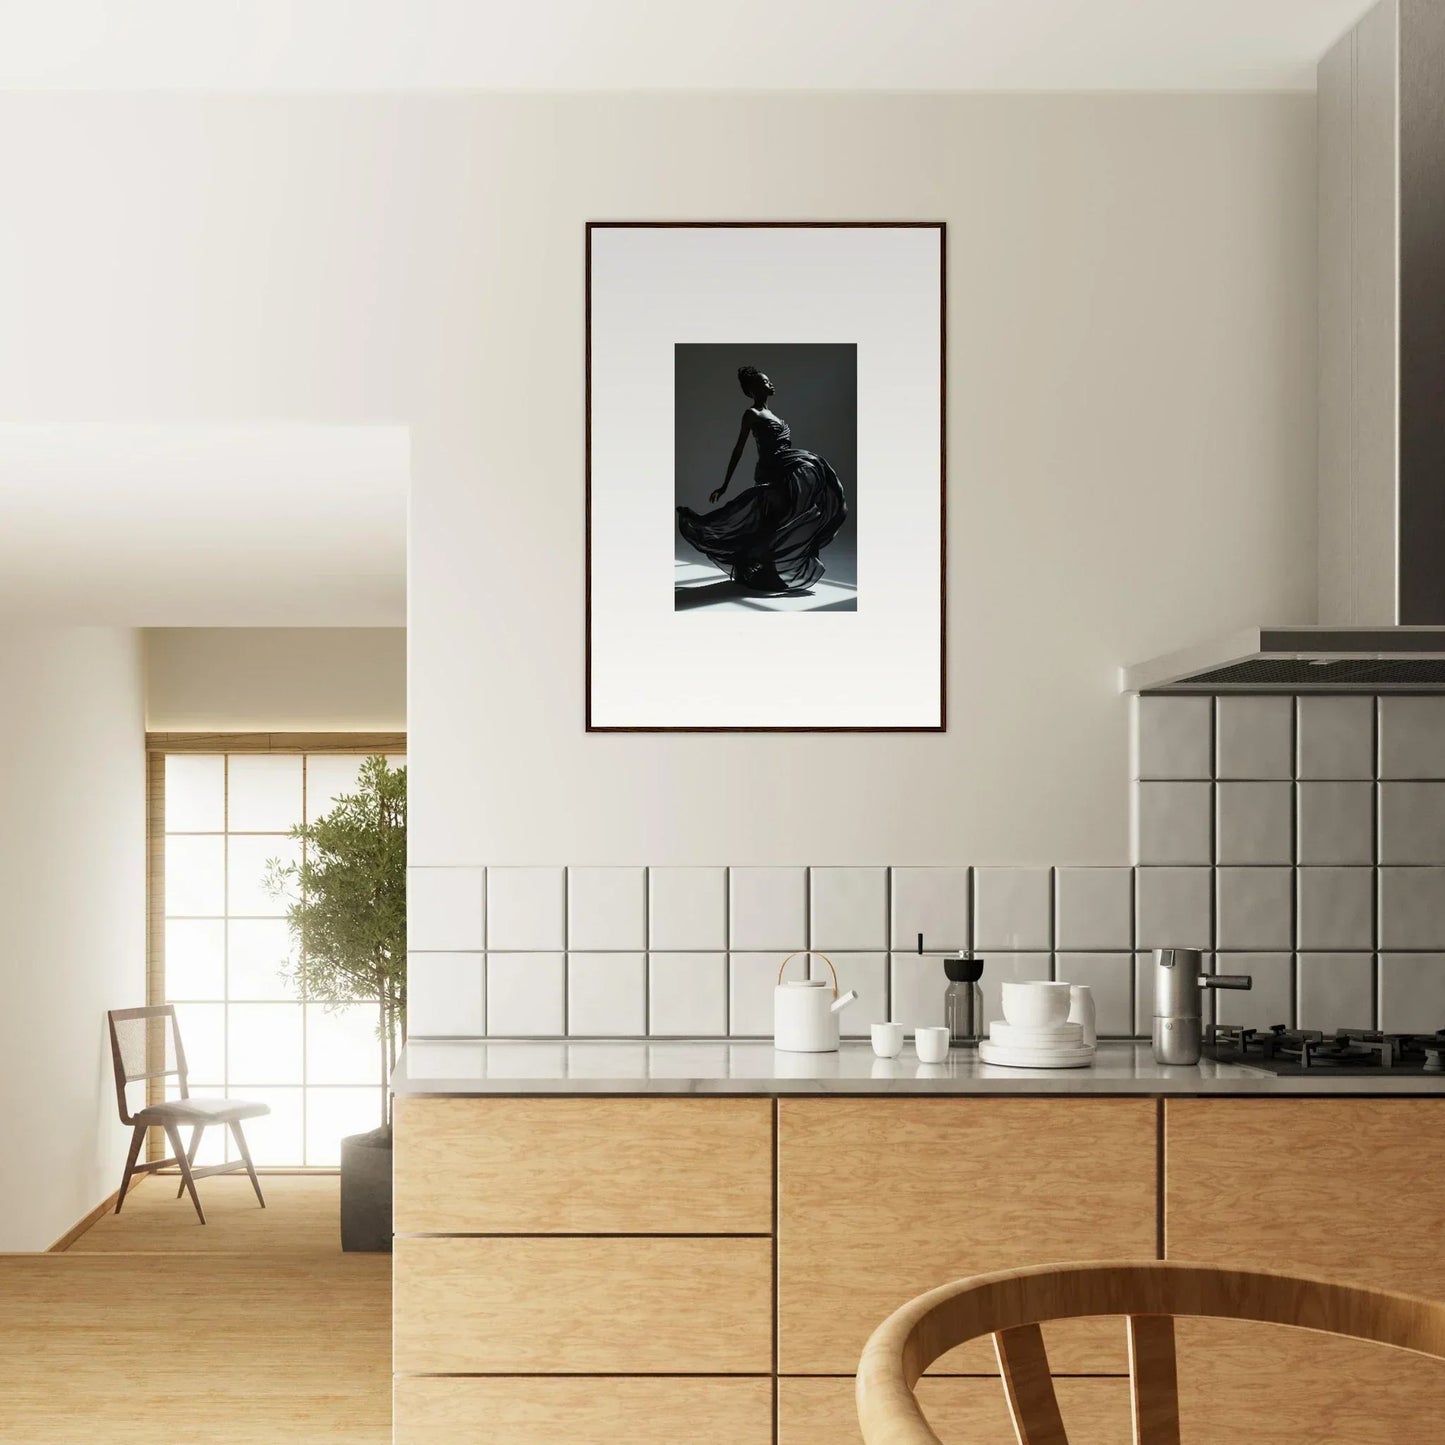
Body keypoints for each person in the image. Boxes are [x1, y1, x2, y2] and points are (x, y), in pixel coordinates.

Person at [677, 365, 847, 595]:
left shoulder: (774, 416)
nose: (770, 384)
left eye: (769, 381)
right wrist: (725, 484)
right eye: (764, 382)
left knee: (776, 524)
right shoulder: (752, 414)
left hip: (785, 471)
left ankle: (758, 565)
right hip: (771, 473)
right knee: (773, 525)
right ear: (753, 389)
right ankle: (760, 565)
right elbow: (738, 449)